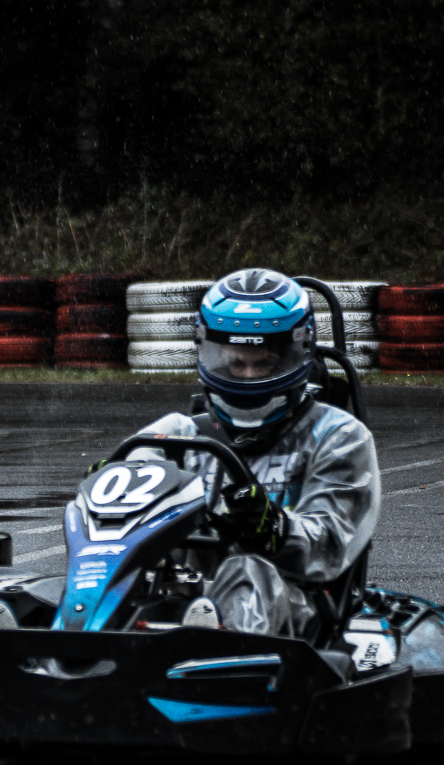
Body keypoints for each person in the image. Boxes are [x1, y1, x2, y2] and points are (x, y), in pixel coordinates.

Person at [128, 267, 380, 636]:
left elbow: (329, 546)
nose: (248, 376)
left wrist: (274, 528)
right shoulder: (176, 435)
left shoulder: (339, 436)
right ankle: (73, 650)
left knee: (247, 571)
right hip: (182, 594)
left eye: (263, 363)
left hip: (295, 604)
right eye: (237, 362)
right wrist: (111, 486)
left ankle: (214, 651)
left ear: (296, 355)